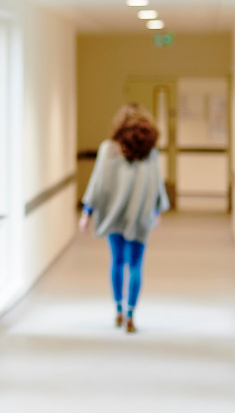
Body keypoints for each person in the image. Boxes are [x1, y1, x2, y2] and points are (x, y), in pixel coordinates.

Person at [78, 104, 170, 333]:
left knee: (117, 261)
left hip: (114, 217)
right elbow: (156, 185)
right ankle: (130, 314)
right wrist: (156, 211)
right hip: (140, 217)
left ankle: (117, 309)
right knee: (136, 264)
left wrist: (86, 212)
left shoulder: (109, 149)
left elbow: (97, 184)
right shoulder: (150, 152)